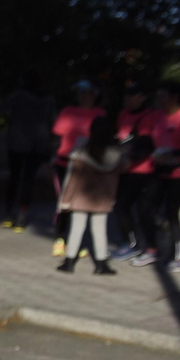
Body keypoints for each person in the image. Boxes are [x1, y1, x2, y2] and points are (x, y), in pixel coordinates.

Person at [131, 80, 180, 272]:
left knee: (171, 212)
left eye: (162, 96)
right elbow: (148, 139)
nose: (158, 99)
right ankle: (152, 249)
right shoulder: (157, 116)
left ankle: (175, 257)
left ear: (174, 97)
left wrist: (171, 154)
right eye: (157, 96)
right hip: (158, 170)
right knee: (144, 208)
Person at [56, 114, 122, 275]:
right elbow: (115, 180)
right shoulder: (116, 155)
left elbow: (73, 179)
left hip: (80, 197)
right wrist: (112, 199)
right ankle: (101, 265)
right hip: (102, 199)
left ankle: (69, 262)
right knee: (99, 230)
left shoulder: (81, 151)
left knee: (76, 228)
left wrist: (64, 201)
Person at [50, 80, 105, 257]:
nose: (83, 96)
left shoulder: (100, 114)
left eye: (87, 93)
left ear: (94, 95)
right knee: (64, 203)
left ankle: (76, 242)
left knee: (82, 206)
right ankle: (59, 240)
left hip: (90, 167)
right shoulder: (68, 112)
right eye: (80, 93)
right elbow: (56, 138)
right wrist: (49, 158)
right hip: (65, 164)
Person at [2, 72, 55, 231]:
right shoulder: (48, 99)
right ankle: (21, 216)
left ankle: (9, 214)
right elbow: (53, 122)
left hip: (18, 145)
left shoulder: (20, 95)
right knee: (27, 181)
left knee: (14, 179)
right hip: (37, 147)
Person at [111, 81, 157, 260]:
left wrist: (130, 160)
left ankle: (152, 248)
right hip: (124, 170)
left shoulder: (149, 116)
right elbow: (119, 138)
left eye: (132, 95)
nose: (127, 99)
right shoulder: (123, 114)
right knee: (121, 207)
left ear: (142, 97)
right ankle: (130, 244)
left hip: (144, 171)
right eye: (126, 95)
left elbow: (147, 145)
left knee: (144, 210)